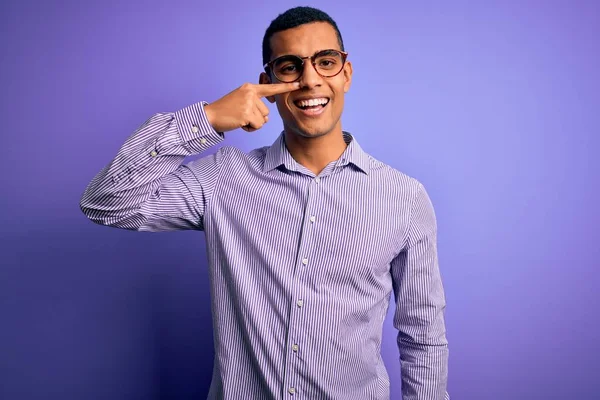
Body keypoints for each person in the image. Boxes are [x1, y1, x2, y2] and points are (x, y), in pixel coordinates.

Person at [80, 6, 449, 400]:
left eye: (326, 62)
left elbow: (423, 335)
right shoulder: (223, 178)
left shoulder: (404, 198)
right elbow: (107, 202)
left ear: (346, 74)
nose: (310, 81)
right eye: (290, 67)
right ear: (266, 82)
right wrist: (207, 118)